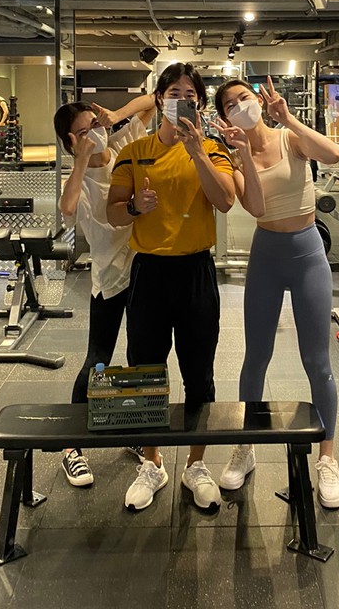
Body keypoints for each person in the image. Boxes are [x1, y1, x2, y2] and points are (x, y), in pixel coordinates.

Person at [107, 63, 235, 513]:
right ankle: (152, 461)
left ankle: (196, 465)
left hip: (196, 271)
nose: (182, 99)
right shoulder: (134, 151)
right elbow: (112, 213)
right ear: (159, 98)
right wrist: (135, 207)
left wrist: (197, 150)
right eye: (174, 92)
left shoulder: (213, 148)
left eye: (190, 94)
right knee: (144, 370)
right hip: (150, 273)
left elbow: (225, 200)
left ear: (199, 103)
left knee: (199, 373)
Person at [213, 75, 339, 508]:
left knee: (317, 361)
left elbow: (334, 154)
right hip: (266, 255)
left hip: (307, 253)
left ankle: (327, 458)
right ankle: (245, 447)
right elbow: (256, 207)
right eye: (230, 104)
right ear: (224, 116)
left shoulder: (290, 139)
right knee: (255, 358)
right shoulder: (235, 158)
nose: (241, 106)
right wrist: (243, 155)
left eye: (244, 97)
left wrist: (287, 118)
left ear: (258, 99)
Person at [53, 93, 156, 488]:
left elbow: (152, 101)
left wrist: (116, 116)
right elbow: (67, 208)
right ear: (70, 141)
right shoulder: (79, 180)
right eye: (83, 132)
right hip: (109, 279)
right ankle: (71, 446)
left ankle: (135, 434)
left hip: (143, 270)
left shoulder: (122, 144)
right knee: (97, 360)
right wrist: (80, 160)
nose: (94, 134)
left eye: (94, 125)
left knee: (140, 359)